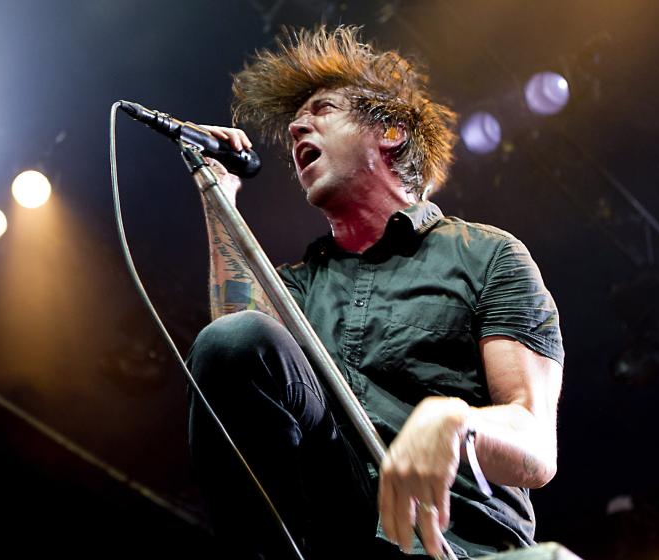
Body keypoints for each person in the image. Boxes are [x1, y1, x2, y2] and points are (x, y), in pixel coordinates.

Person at [187, 26, 564, 560]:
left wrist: (456, 423)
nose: (297, 127)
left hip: (455, 545)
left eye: (322, 109)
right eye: (296, 122)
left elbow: (536, 448)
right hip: (333, 536)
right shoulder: (295, 288)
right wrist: (217, 193)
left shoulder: (487, 255)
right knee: (235, 338)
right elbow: (230, 362)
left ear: (389, 132)